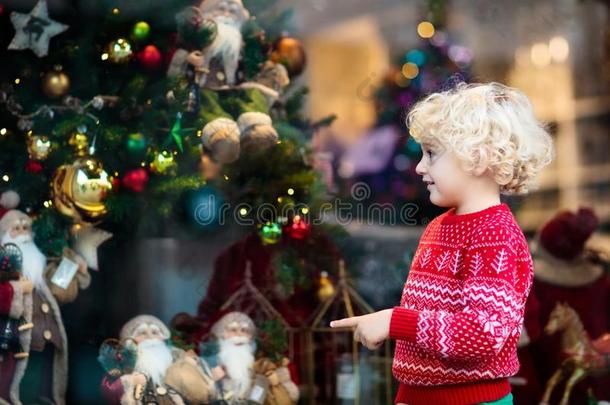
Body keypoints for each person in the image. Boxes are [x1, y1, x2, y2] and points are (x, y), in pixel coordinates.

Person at [331, 82, 554, 405]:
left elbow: (482, 333)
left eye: (432, 153)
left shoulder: (495, 235)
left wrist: (394, 321)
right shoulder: (440, 226)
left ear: (477, 157)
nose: (420, 166)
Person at [0, 199, 90, 405]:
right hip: (15, 339)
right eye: (16, 228)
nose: (23, 232)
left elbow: (58, 290)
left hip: (46, 341)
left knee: (42, 380)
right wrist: (16, 290)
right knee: (18, 383)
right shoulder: (5, 265)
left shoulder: (38, 265)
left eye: (26, 228)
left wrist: (72, 265)